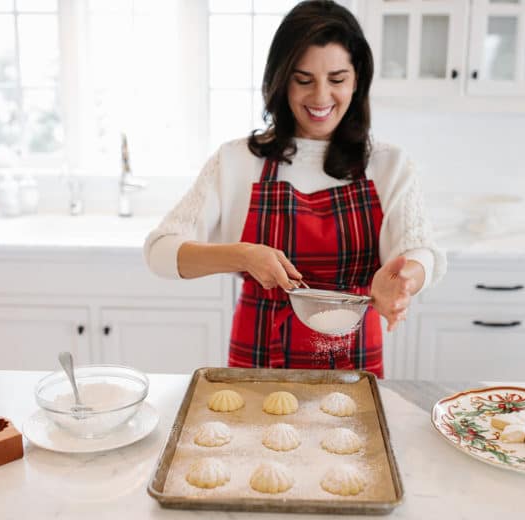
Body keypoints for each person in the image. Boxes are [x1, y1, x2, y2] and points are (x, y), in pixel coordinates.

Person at [144, 0, 445, 378]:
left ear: (357, 81)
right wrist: (242, 256)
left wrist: (404, 281)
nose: (320, 98)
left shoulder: (388, 164)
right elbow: (159, 253)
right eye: (304, 80)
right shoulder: (238, 161)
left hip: (353, 360)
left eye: (336, 80)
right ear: (281, 79)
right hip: (258, 359)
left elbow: (421, 251)